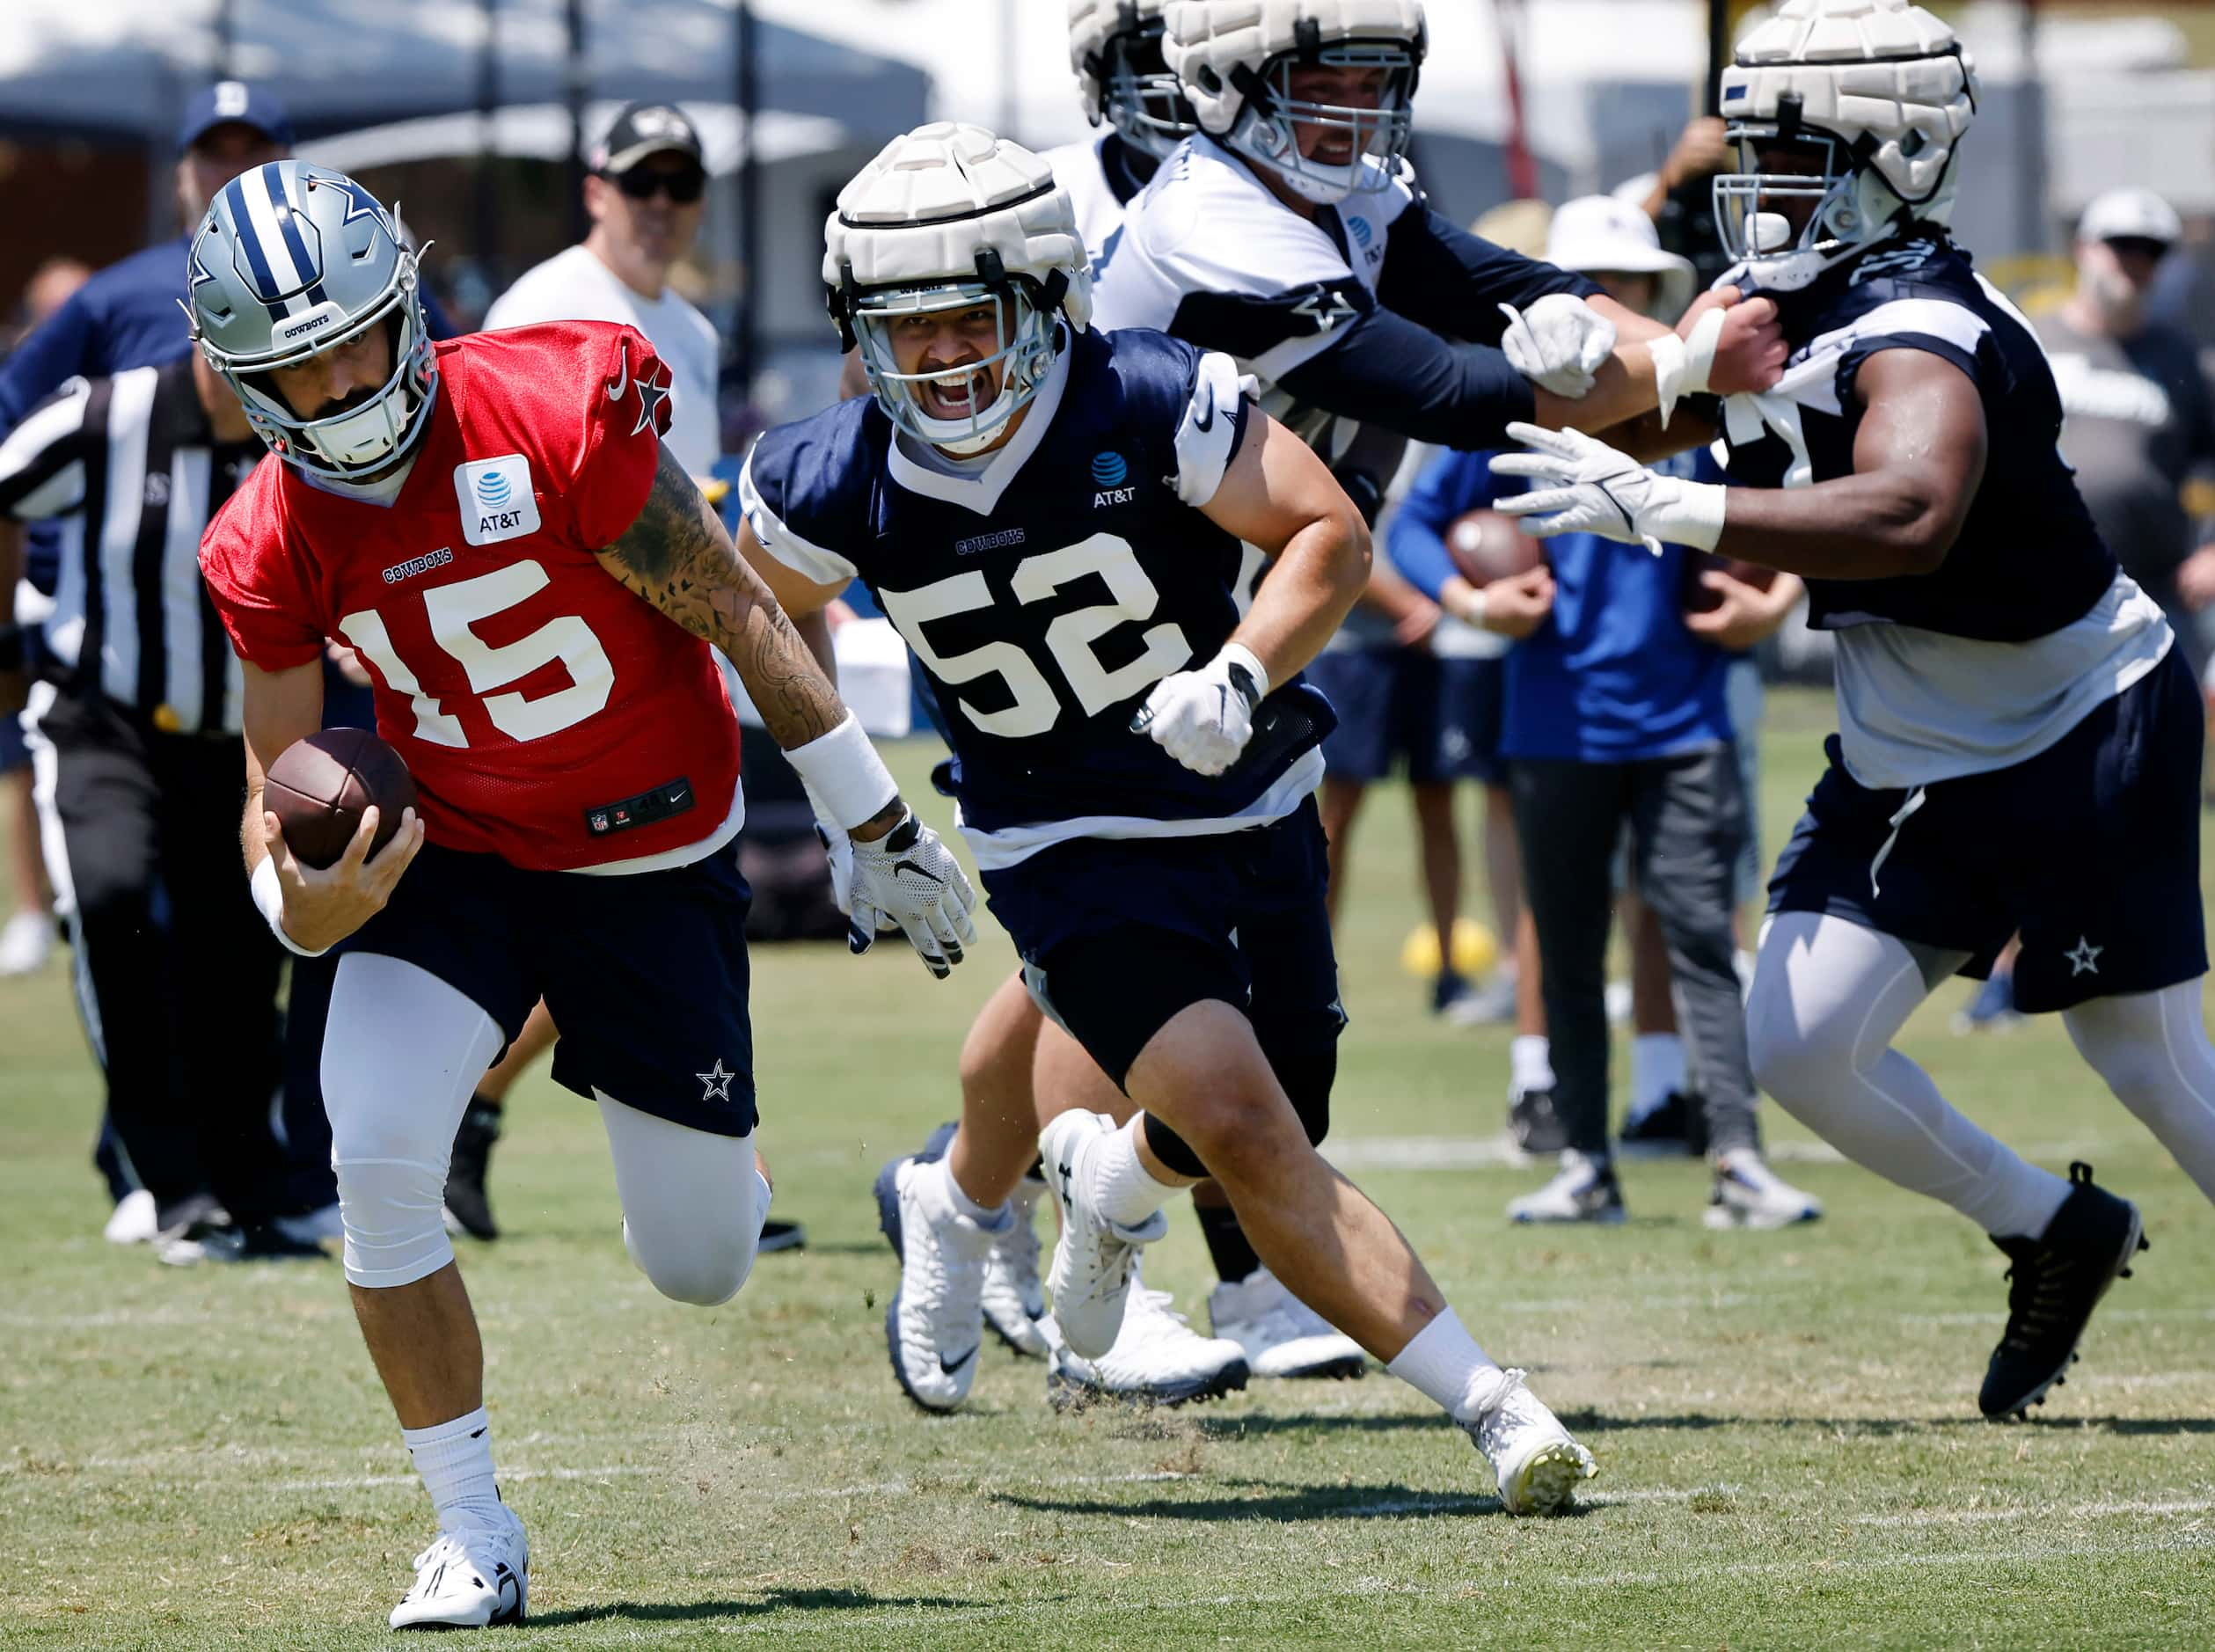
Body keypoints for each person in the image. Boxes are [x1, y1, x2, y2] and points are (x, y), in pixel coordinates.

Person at [746, 117, 1594, 1510]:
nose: (942, 361)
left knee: (1256, 1129)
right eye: (905, 332)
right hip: (1060, 839)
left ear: (1041, 296)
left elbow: (1326, 531)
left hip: (1248, 802)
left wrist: (1243, 667)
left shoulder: (1145, 397)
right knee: (1252, 1128)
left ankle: (1097, 1190)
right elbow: (759, 620)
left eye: (969, 320)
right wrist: (853, 812)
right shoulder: (824, 473)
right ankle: (1496, 1409)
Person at [189, 160, 975, 1627]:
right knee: (374, 1159)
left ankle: (718, 1158)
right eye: (295, 365)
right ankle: (471, 1526)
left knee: (699, 1267)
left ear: (409, 309)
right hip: (455, 856)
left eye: (355, 338)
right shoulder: (263, 536)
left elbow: (732, 599)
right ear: (243, 378)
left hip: (646, 853)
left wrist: (870, 814)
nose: (339, 382)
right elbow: (272, 775)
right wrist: (298, 905)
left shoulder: (552, 403)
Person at [1488, 0, 2210, 1420]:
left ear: (1902, 160)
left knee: (2146, 1060)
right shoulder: (1780, 301)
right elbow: (1641, 419)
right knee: (1798, 1041)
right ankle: (2050, 1227)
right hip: (1907, 750)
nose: (1757, 189)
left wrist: (1676, 505)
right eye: (1749, 154)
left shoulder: (1925, 325)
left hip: (2075, 726)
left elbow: (1912, 510)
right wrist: (1572, 354)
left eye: (1796, 155)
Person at [867, 0, 1366, 1407]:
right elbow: (1422, 367)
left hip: (1218, 608)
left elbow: (1440, 316)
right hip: (1077, 615)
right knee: (1118, 951)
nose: (1189, 101)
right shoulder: (1093, 212)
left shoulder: (1346, 194)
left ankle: (964, 1198)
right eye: (1158, 74)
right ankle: (1140, 1264)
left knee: (1088, 974)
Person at [1393, 194, 1819, 1228]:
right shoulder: (1510, 413)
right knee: (1572, 945)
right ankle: (1585, 1160)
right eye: (1592, 284)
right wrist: (1470, 601)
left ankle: (1735, 1157)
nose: (1611, 302)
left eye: (1628, 286)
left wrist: (1778, 598)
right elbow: (1405, 530)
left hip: (1684, 724)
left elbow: (1809, 499)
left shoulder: (1705, 411)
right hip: (1551, 726)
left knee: (1699, 941)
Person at [466, 102, 804, 1253]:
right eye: (641, 180)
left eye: (682, 182)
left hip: (665, 658)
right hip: (573, 675)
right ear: (595, 189)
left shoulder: (690, 333)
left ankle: (479, 1114)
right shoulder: (550, 308)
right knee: (637, 915)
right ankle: (705, 1158)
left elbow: (689, 509)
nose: (662, 203)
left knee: (653, 914)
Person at [0, 335, 336, 1261]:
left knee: (239, 959)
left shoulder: (308, 431)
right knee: (109, 905)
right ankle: (165, 1179)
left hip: (238, 744)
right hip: (102, 725)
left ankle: (247, 1186)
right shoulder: (107, 418)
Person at [1944, 189, 2215, 1034]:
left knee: (2118, 801)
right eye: (2116, 245)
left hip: (2144, 618)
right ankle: (2007, 964)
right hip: (2030, 603)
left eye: (2147, 251)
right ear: (2083, 248)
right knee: (2016, 788)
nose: (2129, 264)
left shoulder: (2179, 357)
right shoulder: (2029, 338)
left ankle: (2095, 963)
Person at [0, 258, 91, 978]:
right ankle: (34, 908)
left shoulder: (119, 388)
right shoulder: (22, 395)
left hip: (106, 611)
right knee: (19, 761)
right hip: (31, 597)